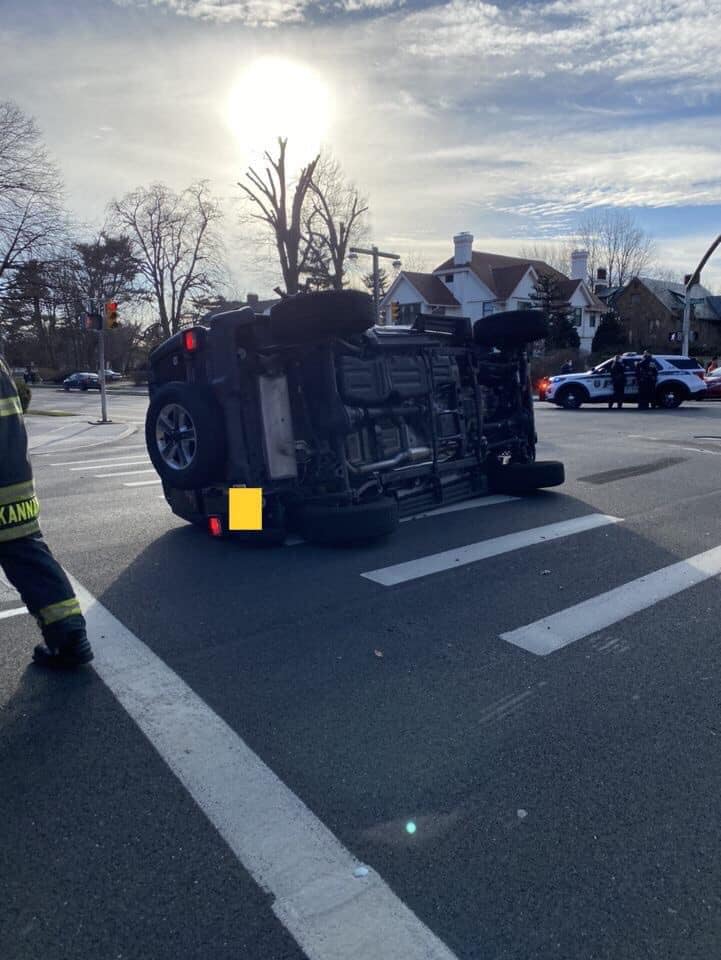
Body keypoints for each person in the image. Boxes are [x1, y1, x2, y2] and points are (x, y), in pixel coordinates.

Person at [0, 355, 93, 667]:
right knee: (28, 555)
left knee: (244, 512)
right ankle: (68, 635)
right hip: (14, 479)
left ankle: (246, 526)